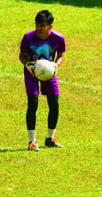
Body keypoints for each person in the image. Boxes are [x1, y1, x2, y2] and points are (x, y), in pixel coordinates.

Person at [19, 10, 66, 151]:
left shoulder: (58, 38)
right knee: (33, 103)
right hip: (31, 72)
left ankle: (50, 138)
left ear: (49, 26)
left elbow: (61, 55)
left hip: (49, 73)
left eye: (42, 25)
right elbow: (22, 55)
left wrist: (56, 65)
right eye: (37, 25)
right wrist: (28, 65)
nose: (38, 28)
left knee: (54, 103)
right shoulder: (28, 37)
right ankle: (31, 141)